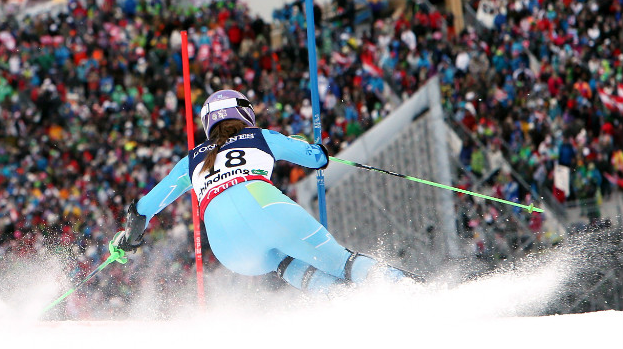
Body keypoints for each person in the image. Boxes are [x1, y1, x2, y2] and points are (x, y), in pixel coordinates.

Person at [112, 89, 415, 293]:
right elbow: (315, 158)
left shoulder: (190, 161)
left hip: (226, 246)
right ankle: (410, 292)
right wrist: (310, 147)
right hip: (265, 207)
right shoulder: (260, 136)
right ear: (243, 113)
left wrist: (129, 240)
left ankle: (341, 303)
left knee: (285, 264)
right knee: (339, 262)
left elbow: (143, 210)